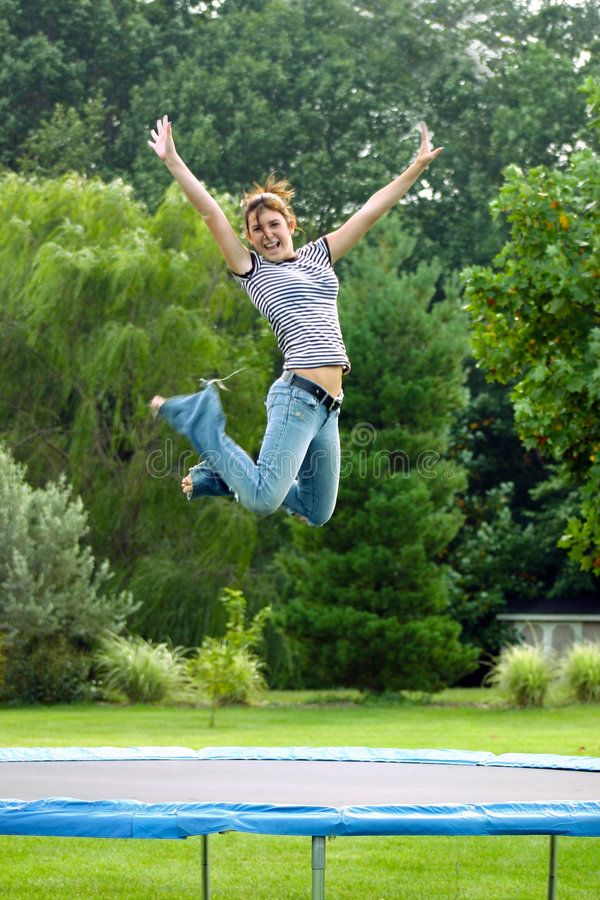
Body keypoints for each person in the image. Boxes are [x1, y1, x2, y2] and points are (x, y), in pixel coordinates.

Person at [148, 115, 442, 525]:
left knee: (318, 511)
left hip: (329, 407)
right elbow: (211, 213)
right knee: (263, 500)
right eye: (256, 229)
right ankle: (199, 419)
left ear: (290, 224)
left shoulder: (319, 255)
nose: (267, 234)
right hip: (297, 398)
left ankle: (226, 478)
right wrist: (173, 160)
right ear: (249, 238)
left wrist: (416, 167)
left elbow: (371, 211)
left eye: (273, 224)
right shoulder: (252, 270)